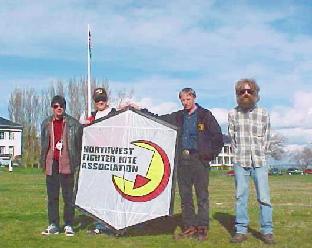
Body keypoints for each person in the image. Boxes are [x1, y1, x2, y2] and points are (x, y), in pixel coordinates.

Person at [141, 88, 223, 241]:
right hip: (182, 161)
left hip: (199, 160)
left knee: (202, 196)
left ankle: (203, 227)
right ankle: (189, 226)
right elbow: (159, 119)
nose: (185, 103)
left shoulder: (205, 115)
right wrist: (140, 110)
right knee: (185, 196)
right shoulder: (178, 116)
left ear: (193, 98)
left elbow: (218, 137)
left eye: (187, 99)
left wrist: (209, 155)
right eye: (183, 100)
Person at [228, 79, 274, 244]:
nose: (246, 94)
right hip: (241, 161)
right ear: (237, 94)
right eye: (242, 92)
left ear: (256, 93)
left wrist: (263, 155)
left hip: (260, 161)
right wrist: (237, 156)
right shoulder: (232, 114)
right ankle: (241, 230)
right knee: (240, 197)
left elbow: (267, 138)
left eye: (249, 91)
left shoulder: (263, 114)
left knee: (264, 198)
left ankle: (267, 231)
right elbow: (232, 139)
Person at [40, 95, 82, 236]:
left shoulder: (74, 124)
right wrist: (43, 162)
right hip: (51, 164)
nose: (59, 108)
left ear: (64, 107)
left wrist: (76, 162)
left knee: (68, 197)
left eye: (61, 106)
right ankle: (53, 224)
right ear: (52, 107)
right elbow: (44, 144)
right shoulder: (46, 123)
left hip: (67, 164)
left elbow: (78, 145)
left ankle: (69, 224)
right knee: (52, 197)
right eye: (55, 106)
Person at [80, 87, 116, 235]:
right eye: (97, 100)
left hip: (113, 159)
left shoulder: (115, 113)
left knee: (112, 193)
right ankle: (100, 224)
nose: (100, 102)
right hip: (97, 161)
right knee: (98, 194)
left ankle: (112, 223)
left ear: (106, 100)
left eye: (103, 99)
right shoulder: (91, 116)